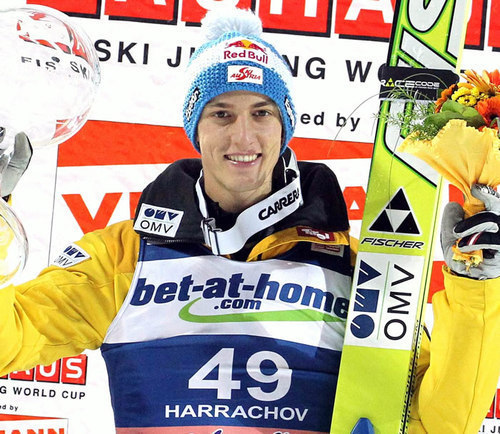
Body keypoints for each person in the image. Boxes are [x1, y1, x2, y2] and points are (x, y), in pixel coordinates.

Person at [1, 6, 499, 434]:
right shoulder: (124, 259)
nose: (243, 137)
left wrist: (478, 287)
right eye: (221, 113)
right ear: (196, 128)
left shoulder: (358, 266)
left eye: (262, 113)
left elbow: (442, 422)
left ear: (284, 127)